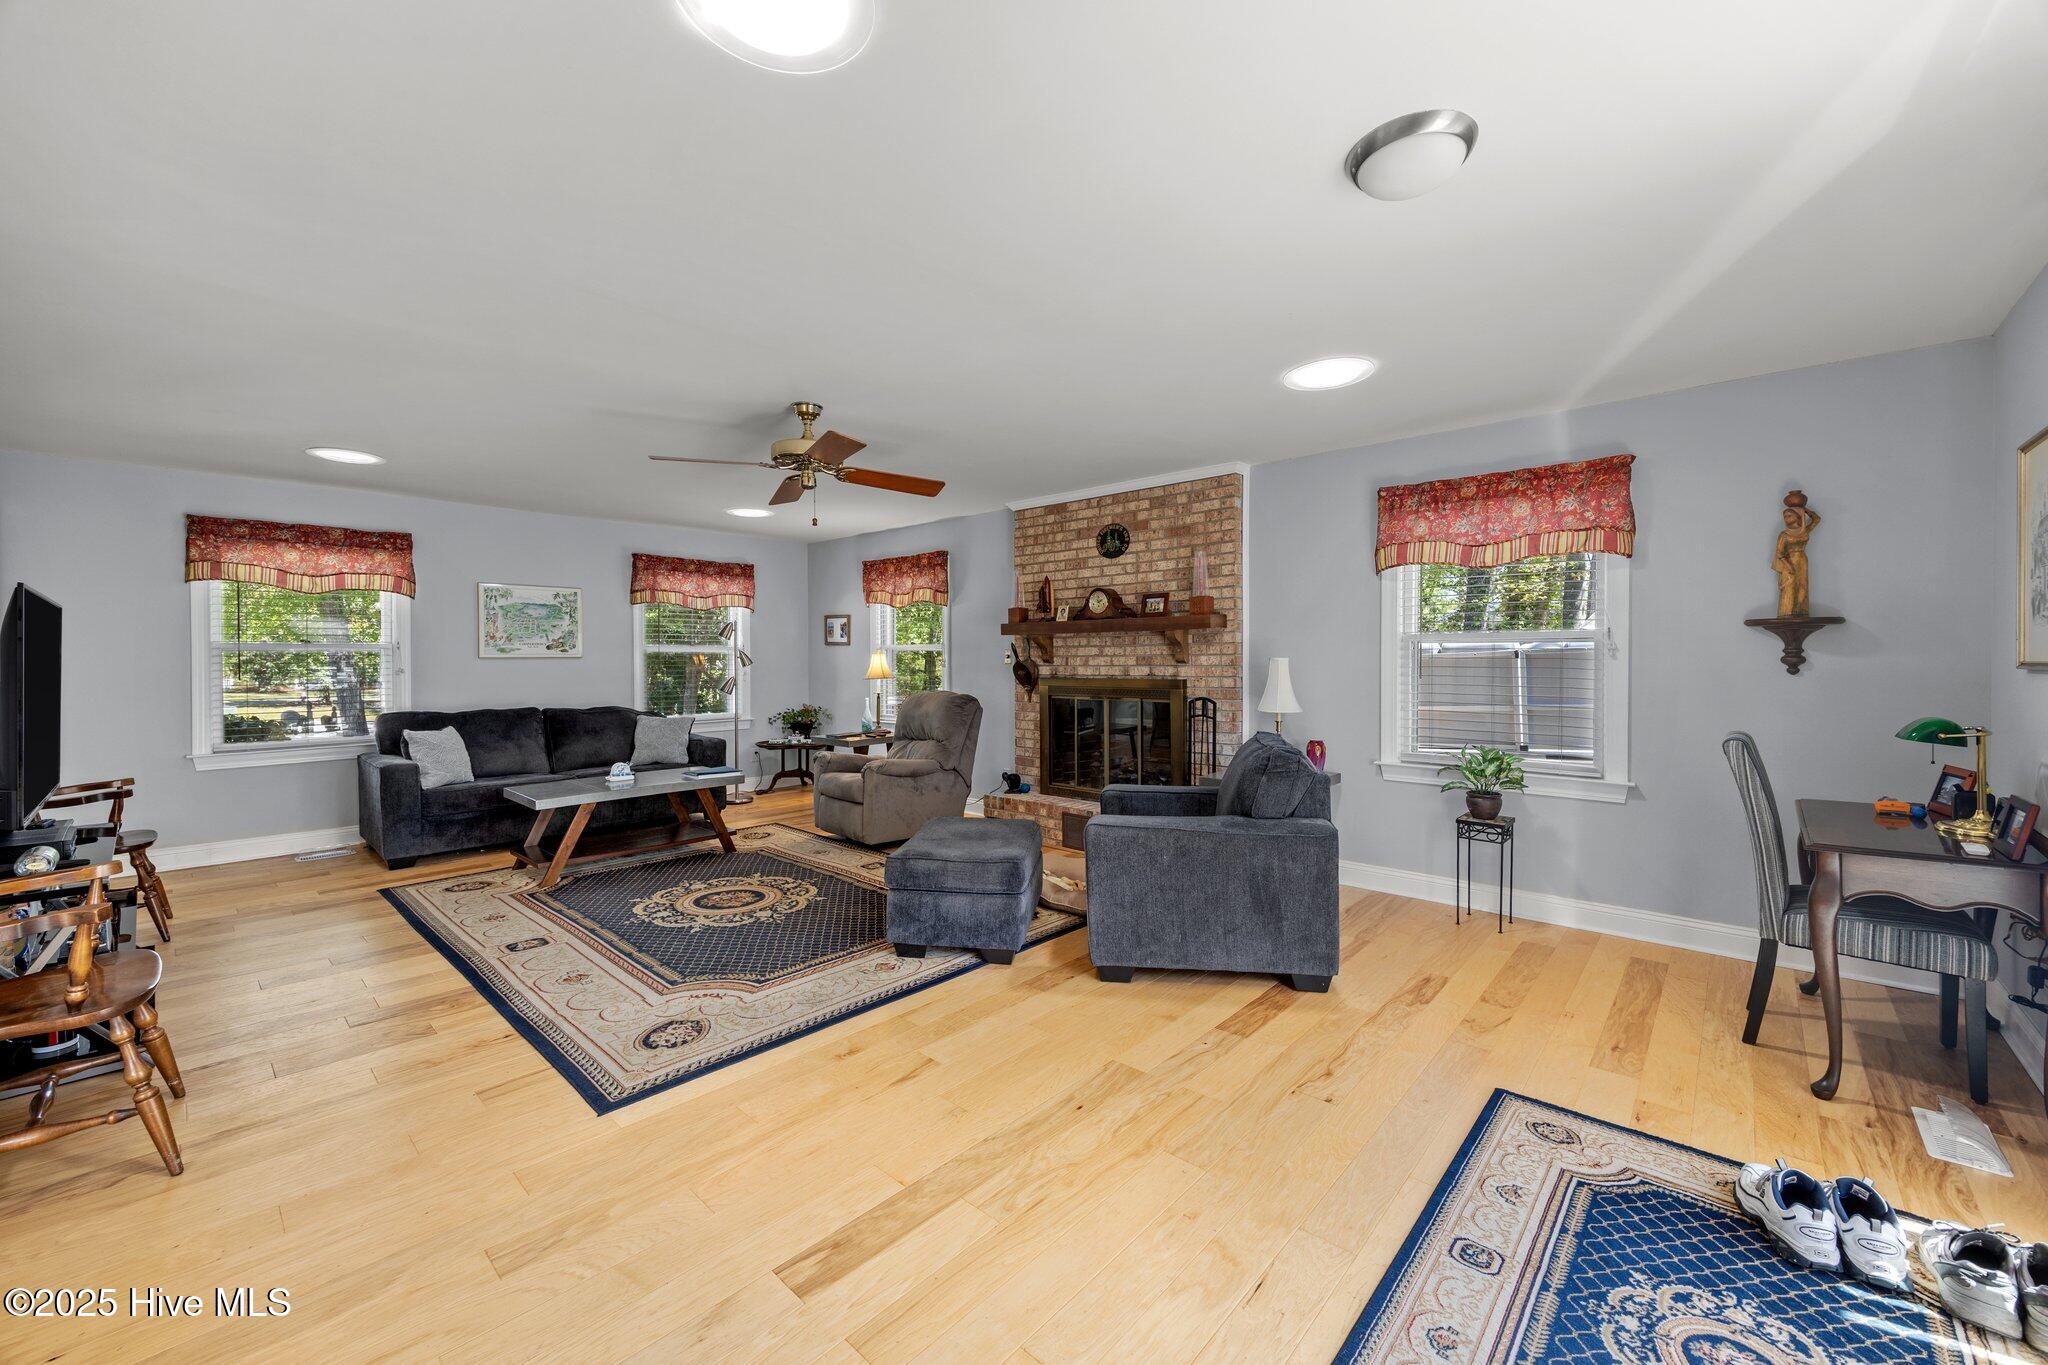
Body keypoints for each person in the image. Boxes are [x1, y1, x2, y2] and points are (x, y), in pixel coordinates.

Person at [1773, 499, 1821, 617]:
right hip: (1788, 562)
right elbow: (1779, 553)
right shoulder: (1784, 535)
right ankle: (1787, 612)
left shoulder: (1803, 531)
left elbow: (1816, 519)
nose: (1786, 518)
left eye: (1789, 515)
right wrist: (1789, 567)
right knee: (1790, 586)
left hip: (1802, 560)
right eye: (1785, 516)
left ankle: (1801, 612)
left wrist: (1804, 509)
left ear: (1797, 516)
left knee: (1802, 586)